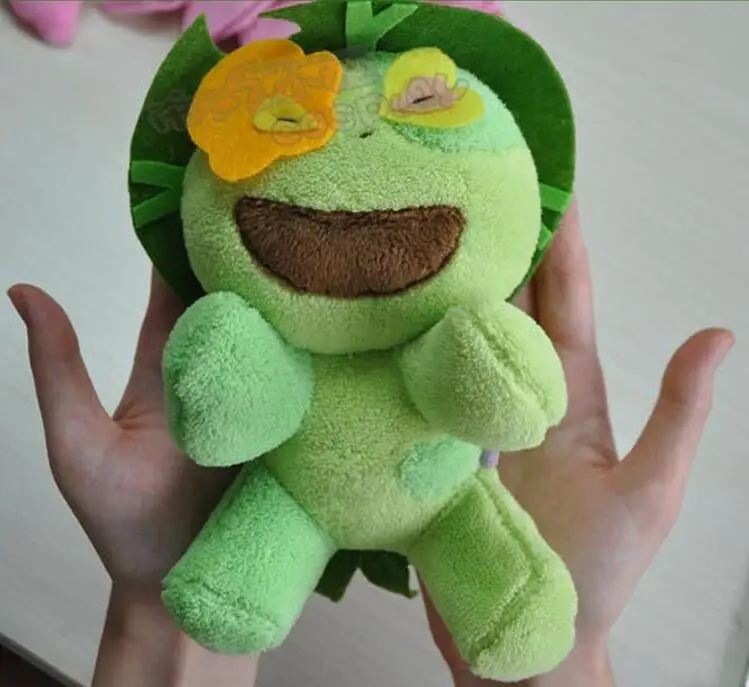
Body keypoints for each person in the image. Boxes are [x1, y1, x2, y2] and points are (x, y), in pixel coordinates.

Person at [7, 203, 733, 687]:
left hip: (445, 503)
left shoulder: (447, 336)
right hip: (288, 496)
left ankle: (517, 611)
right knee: (226, 569)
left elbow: (485, 374)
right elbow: (260, 383)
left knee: (516, 603)